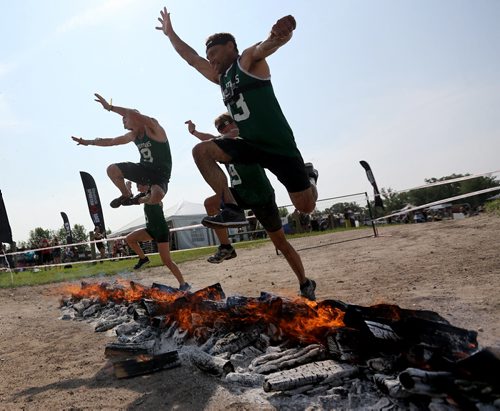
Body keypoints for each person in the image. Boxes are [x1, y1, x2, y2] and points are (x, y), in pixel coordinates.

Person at [157, 8, 318, 229]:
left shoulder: (247, 61)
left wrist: (279, 36)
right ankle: (231, 209)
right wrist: (170, 33)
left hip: (279, 147)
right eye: (208, 56)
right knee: (201, 151)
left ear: (230, 47)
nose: (210, 60)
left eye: (213, 54)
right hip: (250, 145)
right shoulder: (220, 77)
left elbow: (266, 46)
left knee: (306, 206)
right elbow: (191, 59)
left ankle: (310, 177)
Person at [185, 113, 316, 300]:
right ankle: (226, 247)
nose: (223, 129)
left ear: (234, 122)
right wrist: (195, 132)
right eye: (219, 127)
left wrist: (218, 136)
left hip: (261, 195)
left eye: (225, 124)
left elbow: (230, 134)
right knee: (210, 203)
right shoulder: (224, 144)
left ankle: (305, 282)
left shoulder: (244, 137)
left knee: (281, 244)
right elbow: (211, 140)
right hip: (239, 194)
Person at [72, 93, 172, 208]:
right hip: (144, 169)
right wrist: (88, 142)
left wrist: (110, 107)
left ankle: (137, 200)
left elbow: (132, 114)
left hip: (161, 175)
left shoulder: (153, 128)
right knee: (112, 169)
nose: (123, 120)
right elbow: (111, 141)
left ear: (136, 118)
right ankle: (126, 194)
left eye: (125, 118)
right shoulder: (132, 135)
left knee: (156, 197)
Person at [125, 182, 190, 292]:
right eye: (136, 186)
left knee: (167, 261)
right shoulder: (144, 196)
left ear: (146, 184)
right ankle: (143, 259)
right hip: (150, 230)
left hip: (161, 231)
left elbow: (146, 198)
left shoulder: (155, 195)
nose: (137, 188)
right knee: (129, 239)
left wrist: (137, 198)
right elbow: (128, 201)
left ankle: (184, 284)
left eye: (139, 185)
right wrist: (127, 187)